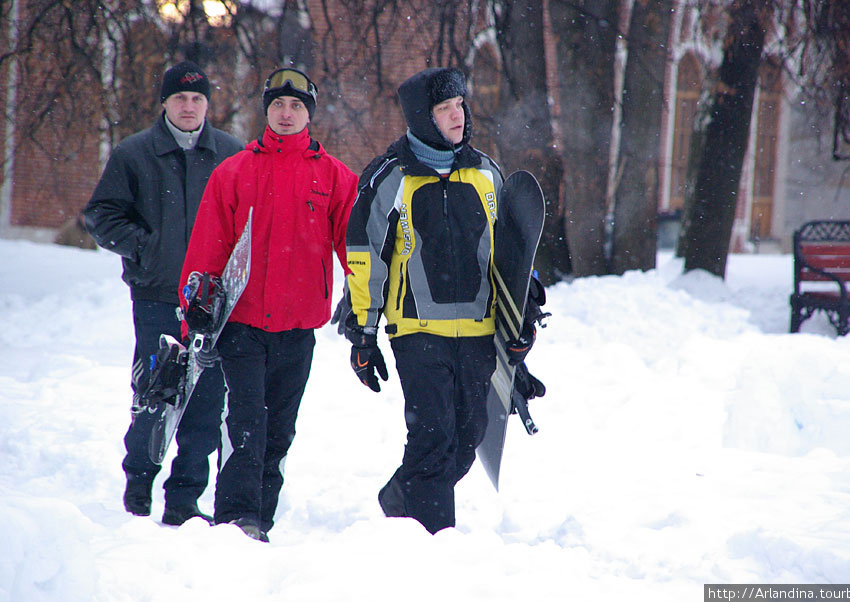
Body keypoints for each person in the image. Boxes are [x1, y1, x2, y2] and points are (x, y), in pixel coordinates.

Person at [338, 67, 534, 534]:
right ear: (423, 119)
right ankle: (434, 545)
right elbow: (365, 259)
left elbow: (512, 255)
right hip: (417, 332)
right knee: (432, 437)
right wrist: (363, 334)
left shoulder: (487, 172)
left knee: (468, 439)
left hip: (478, 332)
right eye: (444, 109)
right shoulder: (390, 176)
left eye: (460, 105)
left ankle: (402, 494)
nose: (457, 115)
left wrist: (521, 319)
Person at [179, 67, 358, 541]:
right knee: (245, 424)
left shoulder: (335, 178)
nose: (286, 113)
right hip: (243, 325)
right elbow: (208, 248)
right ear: (267, 110)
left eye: (296, 106)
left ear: (309, 115)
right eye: (278, 104)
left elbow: (354, 249)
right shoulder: (235, 171)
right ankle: (237, 519)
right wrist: (195, 302)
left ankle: (262, 516)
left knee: (279, 429)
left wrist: (365, 303)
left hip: (299, 329)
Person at [83, 60, 243, 525]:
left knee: (206, 402)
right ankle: (139, 481)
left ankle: (185, 498)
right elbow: (101, 215)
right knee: (157, 392)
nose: (189, 107)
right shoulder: (135, 154)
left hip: (211, 306)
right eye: (180, 98)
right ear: (165, 103)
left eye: (197, 99)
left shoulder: (230, 155)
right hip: (157, 297)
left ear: (208, 104)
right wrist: (146, 249)